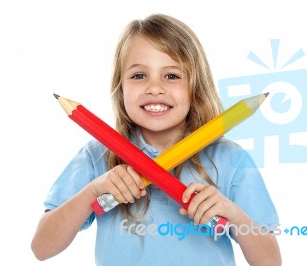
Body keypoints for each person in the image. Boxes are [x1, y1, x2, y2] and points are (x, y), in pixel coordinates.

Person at [31, 14, 281, 265]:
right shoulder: (97, 156)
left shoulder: (230, 159)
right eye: (139, 76)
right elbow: (42, 248)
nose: (154, 88)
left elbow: (270, 262)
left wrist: (234, 215)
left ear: (195, 87)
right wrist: (93, 192)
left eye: (172, 76)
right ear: (120, 86)